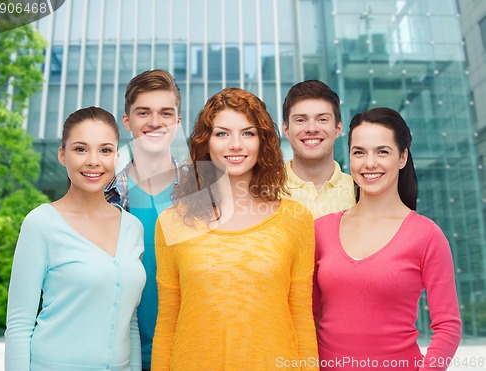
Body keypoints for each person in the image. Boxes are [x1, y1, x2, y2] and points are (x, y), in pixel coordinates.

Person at [152, 88, 318, 370]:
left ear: (263, 142)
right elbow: (168, 322)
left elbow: (301, 319)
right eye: (222, 133)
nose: (236, 144)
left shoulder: (296, 220)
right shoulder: (172, 222)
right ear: (205, 143)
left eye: (248, 133)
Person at [313, 107, 462, 370]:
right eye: (359, 152)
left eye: (382, 151)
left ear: (402, 157)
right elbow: (307, 315)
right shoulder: (320, 231)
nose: (369, 163)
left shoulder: (427, 235)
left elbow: (448, 326)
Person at [5, 106, 146, 370]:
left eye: (105, 150)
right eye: (80, 149)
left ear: (116, 156)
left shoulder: (133, 228)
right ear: (62, 155)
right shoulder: (41, 223)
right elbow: (19, 325)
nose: (93, 161)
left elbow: (131, 322)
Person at [104, 69, 183, 370]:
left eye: (165, 113)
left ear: (177, 122)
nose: (154, 122)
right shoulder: (104, 194)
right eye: (143, 112)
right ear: (127, 121)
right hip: (120, 355)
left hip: (187, 351)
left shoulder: (203, 195)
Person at [282, 80, 356, 218]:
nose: (311, 129)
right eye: (300, 120)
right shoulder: (265, 191)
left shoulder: (360, 191)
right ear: (286, 130)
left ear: (338, 129)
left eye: (322, 119)